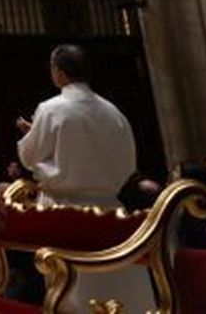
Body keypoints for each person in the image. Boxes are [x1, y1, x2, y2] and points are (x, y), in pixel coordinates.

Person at [16, 44, 150, 313]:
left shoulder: (51, 109)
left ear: (59, 72)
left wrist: (32, 134)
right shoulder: (114, 112)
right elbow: (125, 164)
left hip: (65, 210)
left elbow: (29, 157)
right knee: (118, 283)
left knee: (73, 292)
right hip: (110, 209)